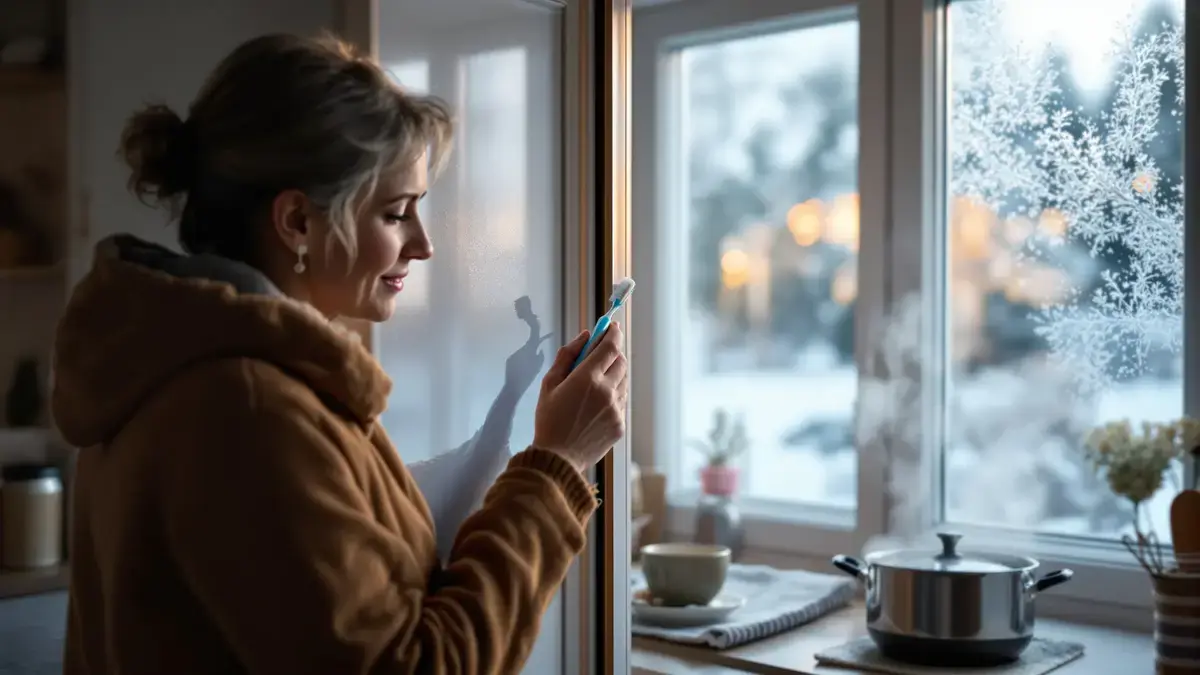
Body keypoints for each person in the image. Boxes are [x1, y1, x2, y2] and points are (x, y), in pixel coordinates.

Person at [51, 33, 627, 675]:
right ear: (297, 221)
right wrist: (558, 464)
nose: (423, 245)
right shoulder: (247, 407)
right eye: (396, 212)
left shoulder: (188, 365)